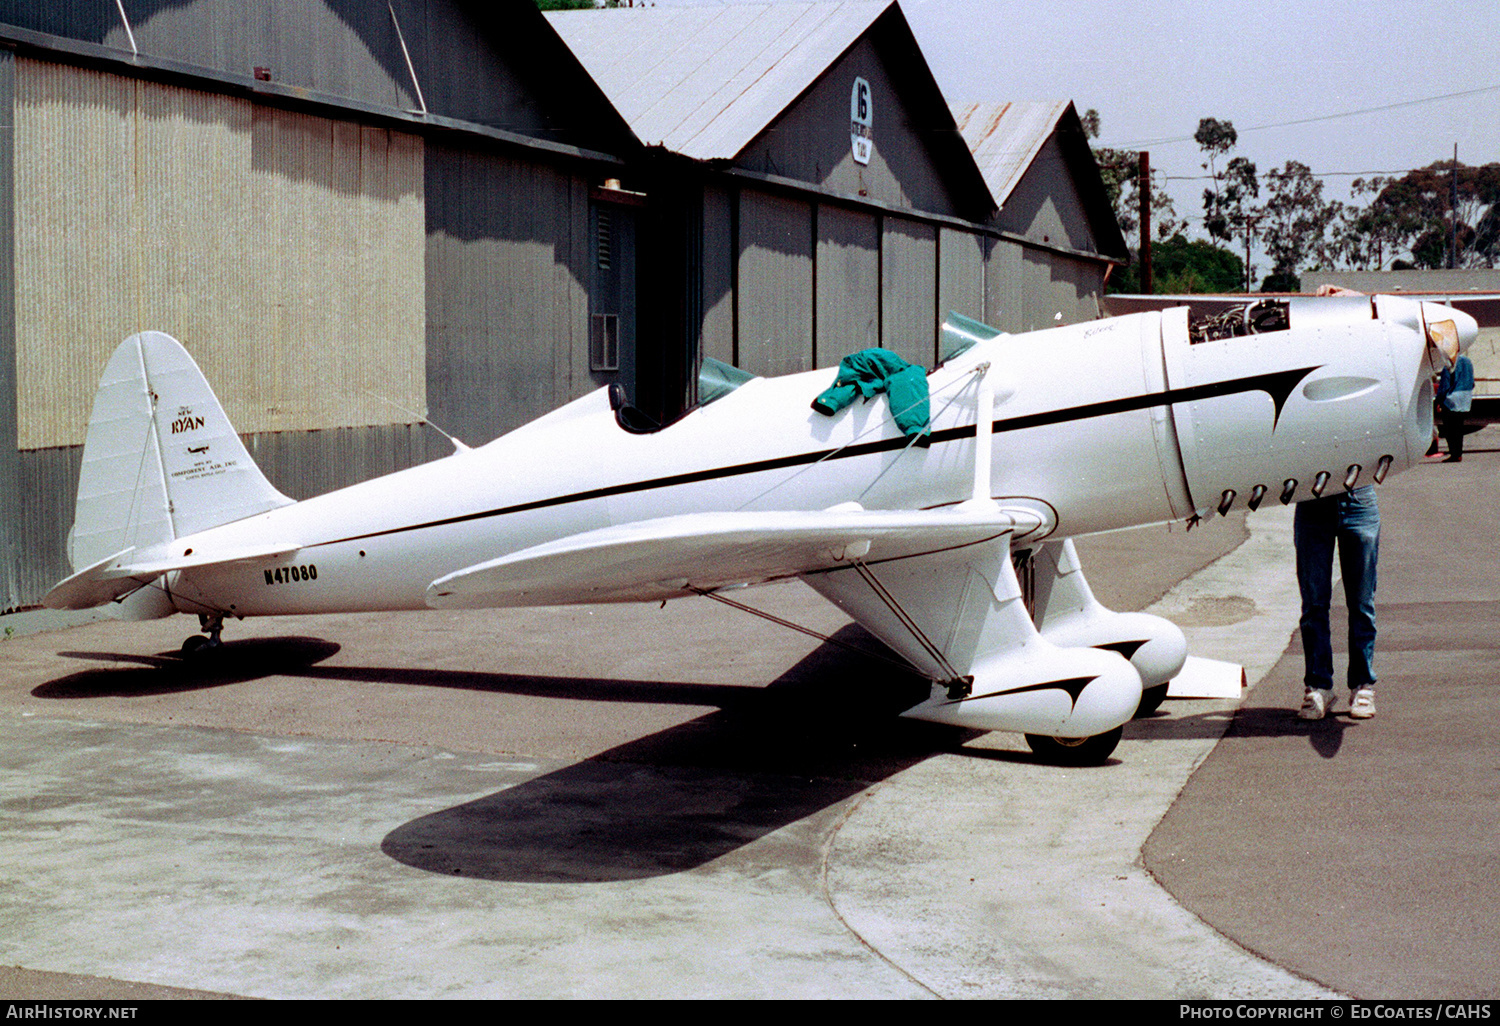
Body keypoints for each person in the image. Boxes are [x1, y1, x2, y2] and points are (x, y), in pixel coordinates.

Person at [1294, 486, 1381, 720]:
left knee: (1362, 602)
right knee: (1314, 604)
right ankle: (1318, 687)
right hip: (1311, 501)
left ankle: (1363, 685)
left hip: (1358, 502)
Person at [1437, 352, 1474, 462]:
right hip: (1465, 399)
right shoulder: (1468, 362)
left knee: (1450, 429)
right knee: (1459, 429)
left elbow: (1445, 385)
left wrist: (1439, 400)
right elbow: (1472, 382)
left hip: (1452, 400)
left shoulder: (1449, 365)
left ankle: (1454, 454)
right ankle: (1458, 453)